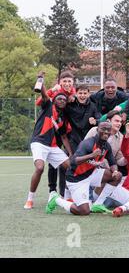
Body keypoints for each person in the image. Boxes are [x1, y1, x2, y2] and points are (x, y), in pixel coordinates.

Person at [46, 122, 122, 215]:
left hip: (91, 174)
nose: (106, 131)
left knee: (117, 176)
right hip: (77, 179)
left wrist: (115, 171)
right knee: (84, 211)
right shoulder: (88, 143)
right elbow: (74, 161)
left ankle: (98, 204)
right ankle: (56, 199)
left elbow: (112, 162)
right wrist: (91, 155)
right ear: (97, 130)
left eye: (108, 130)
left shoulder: (106, 146)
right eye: (103, 129)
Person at [24, 72, 73, 209]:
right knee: (40, 167)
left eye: (64, 100)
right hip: (39, 142)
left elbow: (63, 137)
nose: (62, 100)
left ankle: (68, 197)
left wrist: (70, 153)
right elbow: (44, 94)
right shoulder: (48, 106)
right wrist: (40, 79)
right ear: (54, 100)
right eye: (59, 99)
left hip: (52, 146)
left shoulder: (63, 118)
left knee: (70, 168)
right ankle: (30, 199)